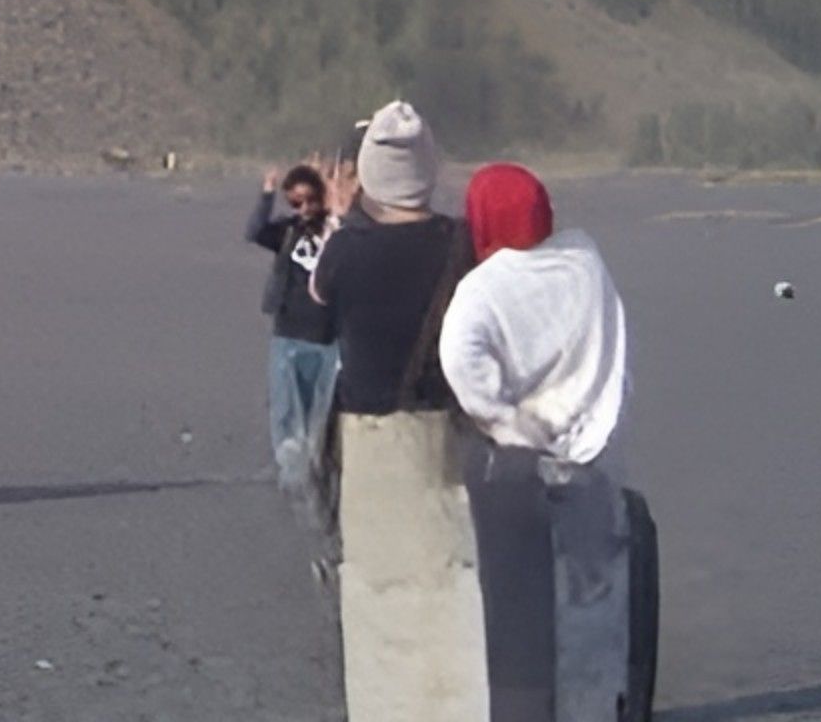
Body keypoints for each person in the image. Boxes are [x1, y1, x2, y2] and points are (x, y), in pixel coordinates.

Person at [440, 163, 636, 720]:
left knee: (516, 601)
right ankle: (593, 708)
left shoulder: (483, 289)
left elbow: (459, 357)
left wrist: (501, 416)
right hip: (592, 446)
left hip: (515, 460)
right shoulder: (584, 259)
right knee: (593, 592)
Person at [310, 101, 483, 721]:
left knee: (379, 587)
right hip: (443, 429)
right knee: (445, 579)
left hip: (370, 432)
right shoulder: (461, 244)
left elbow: (318, 308)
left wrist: (337, 216)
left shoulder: (348, 251)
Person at [246, 160, 338, 517]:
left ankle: (321, 475)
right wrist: (267, 193)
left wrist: (336, 201)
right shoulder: (287, 233)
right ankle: (295, 481)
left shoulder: (336, 231)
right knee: (287, 414)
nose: (303, 210)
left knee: (321, 419)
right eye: (295, 203)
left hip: (329, 337)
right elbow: (255, 231)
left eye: (309, 201)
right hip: (289, 336)